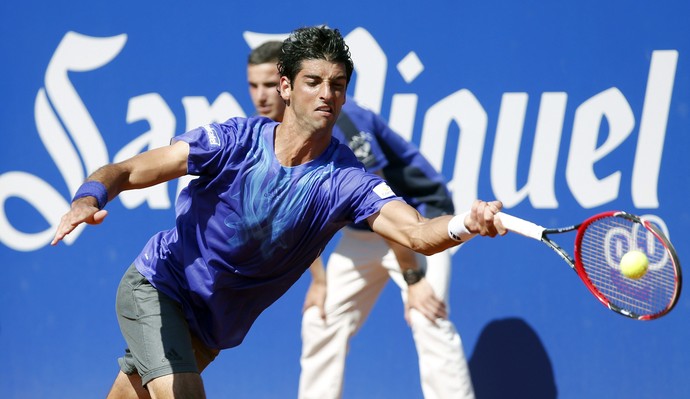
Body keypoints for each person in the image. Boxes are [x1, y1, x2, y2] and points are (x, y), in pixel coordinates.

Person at [52, 26, 506, 399]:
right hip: (160, 285)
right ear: (286, 87)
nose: (326, 94)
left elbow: (416, 234)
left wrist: (467, 223)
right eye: (313, 82)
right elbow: (130, 170)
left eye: (337, 85)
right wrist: (89, 197)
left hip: (214, 324)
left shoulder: (347, 179)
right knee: (184, 393)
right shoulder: (233, 141)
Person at [248, 41, 476, 398]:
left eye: (268, 84)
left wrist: (414, 279)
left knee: (427, 315)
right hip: (362, 232)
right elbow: (297, 217)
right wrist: (319, 281)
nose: (262, 96)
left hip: (415, 221)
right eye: (254, 86)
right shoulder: (271, 135)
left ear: (287, 82)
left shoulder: (340, 123)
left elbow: (383, 203)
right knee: (320, 319)